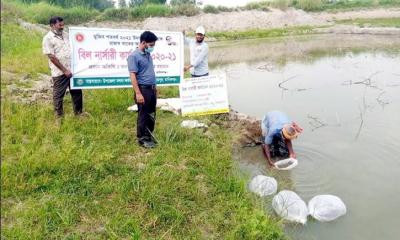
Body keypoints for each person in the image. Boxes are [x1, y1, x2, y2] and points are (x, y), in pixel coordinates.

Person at [42, 16, 84, 117]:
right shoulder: (48, 38)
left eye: (63, 24)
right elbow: (51, 56)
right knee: (58, 95)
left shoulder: (67, 35)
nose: (62, 26)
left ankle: (78, 114)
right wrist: (65, 70)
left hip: (73, 70)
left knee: (77, 92)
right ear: (52, 25)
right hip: (60, 72)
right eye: (60, 25)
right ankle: (59, 117)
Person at [127, 31, 158, 148]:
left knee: (151, 113)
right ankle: (142, 139)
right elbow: (133, 76)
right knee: (143, 114)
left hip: (151, 89)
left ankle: (149, 135)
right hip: (143, 90)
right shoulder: (133, 56)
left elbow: (150, 72)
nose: (152, 47)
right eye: (151, 45)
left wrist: (155, 88)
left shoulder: (147, 54)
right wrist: (138, 93)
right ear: (143, 42)